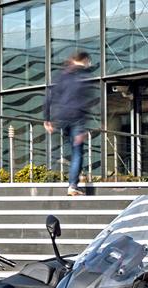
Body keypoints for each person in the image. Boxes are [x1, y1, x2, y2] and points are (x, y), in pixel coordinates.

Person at [43, 51, 96, 196]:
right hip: (77, 117)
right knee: (77, 152)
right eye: (88, 61)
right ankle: (72, 185)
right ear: (84, 60)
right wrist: (84, 127)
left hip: (62, 117)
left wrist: (47, 119)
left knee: (70, 149)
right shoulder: (83, 76)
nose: (89, 64)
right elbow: (86, 101)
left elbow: (49, 97)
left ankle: (57, 178)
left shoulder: (62, 76)